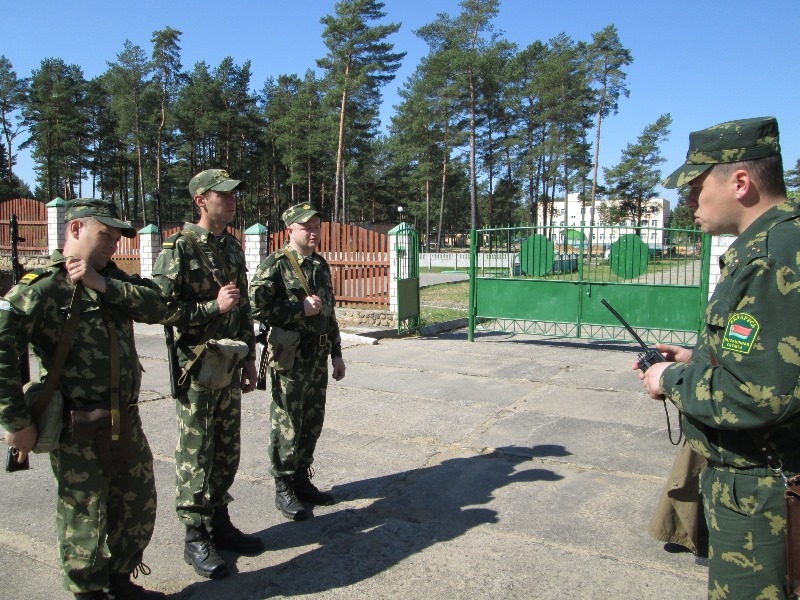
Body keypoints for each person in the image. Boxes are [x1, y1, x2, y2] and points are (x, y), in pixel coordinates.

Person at [639, 116, 800, 599]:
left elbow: (756, 396)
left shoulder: (771, 256)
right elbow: (770, 357)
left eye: (696, 186)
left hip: (763, 493)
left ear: (741, 181)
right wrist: (699, 356)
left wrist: (670, 379)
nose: (688, 201)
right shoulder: (774, 243)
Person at [0, 199, 169, 599]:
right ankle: (88, 591)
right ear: (76, 228)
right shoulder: (43, 288)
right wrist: (16, 422)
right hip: (77, 427)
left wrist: (103, 285)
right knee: (85, 515)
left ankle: (120, 579)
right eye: (105, 235)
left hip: (125, 419)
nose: (113, 245)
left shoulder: (113, 280)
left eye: (117, 238)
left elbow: (161, 305)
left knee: (137, 504)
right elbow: (2, 350)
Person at [151, 169, 263, 579]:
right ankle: (195, 534)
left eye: (235, 196)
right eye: (224, 195)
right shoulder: (178, 249)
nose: (233, 202)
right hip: (195, 368)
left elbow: (245, 307)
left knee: (226, 447)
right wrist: (211, 309)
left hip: (229, 365)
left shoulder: (232, 248)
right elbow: (159, 310)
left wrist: (250, 357)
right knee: (197, 451)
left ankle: (219, 521)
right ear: (201, 200)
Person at [249, 202, 346, 521]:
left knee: (312, 422)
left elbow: (329, 313)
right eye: (307, 226)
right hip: (290, 357)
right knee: (287, 422)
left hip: (317, 357)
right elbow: (255, 308)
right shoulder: (275, 264)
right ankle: (283, 485)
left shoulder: (320, 265)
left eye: (317, 225)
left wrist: (337, 353)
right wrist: (297, 310)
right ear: (290, 229)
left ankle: (302, 479)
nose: (314, 231)